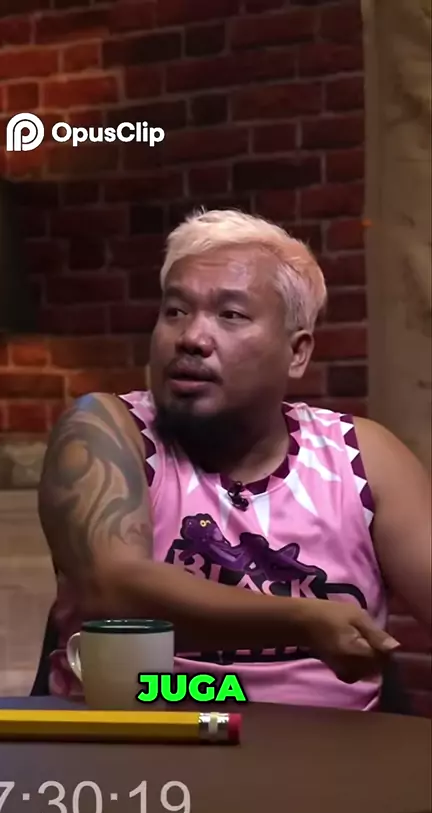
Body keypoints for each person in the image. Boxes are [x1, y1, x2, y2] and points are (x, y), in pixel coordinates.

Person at [38, 209, 431, 709]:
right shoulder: (105, 430)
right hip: (142, 742)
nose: (191, 337)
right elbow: (112, 593)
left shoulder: (362, 457)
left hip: (330, 750)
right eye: (175, 311)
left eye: (230, 315)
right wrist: (302, 620)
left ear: (297, 352)